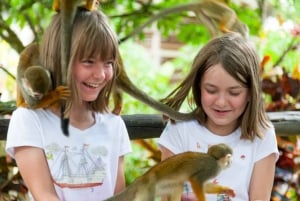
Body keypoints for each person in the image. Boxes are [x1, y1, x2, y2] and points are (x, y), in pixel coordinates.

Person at [5, 8, 132, 201]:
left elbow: (120, 196)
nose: (100, 74)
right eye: (88, 62)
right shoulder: (29, 120)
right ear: (59, 62)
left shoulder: (114, 124)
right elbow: (44, 195)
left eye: (108, 63)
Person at [158, 32, 279, 201]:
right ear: (198, 87)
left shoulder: (262, 136)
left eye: (234, 92)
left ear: (251, 92)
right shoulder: (179, 131)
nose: (221, 102)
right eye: (211, 90)